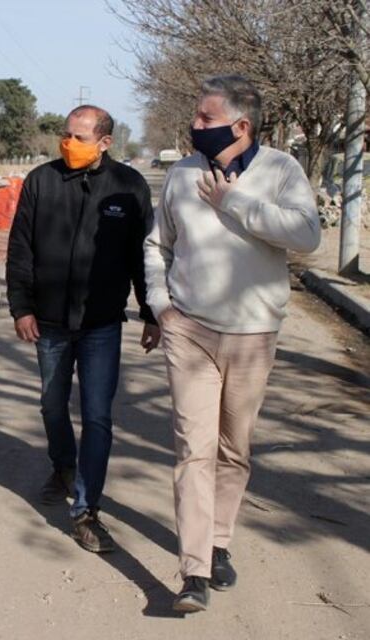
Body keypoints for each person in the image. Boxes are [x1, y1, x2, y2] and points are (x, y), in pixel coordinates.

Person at [144, 75, 320, 612]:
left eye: (205, 119)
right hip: (190, 330)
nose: (195, 126)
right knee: (192, 450)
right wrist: (161, 305)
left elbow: (306, 234)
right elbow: (158, 244)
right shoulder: (181, 174)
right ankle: (193, 571)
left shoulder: (282, 172)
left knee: (232, 449)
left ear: (240, 126)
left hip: (252, 336)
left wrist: (236, 202)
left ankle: (219, 540)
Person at [6, 105, 159, 554]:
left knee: (96, 416)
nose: (68, 144)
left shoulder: (128, 188)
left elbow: (141, 258)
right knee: (53, 406)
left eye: (80, 137)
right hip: (49, 323)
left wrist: (150, 313)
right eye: (66, 135)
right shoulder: (41, 181)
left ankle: (86, 509)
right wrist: (21, 308)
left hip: (101, 326)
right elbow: (20, 250)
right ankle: (63, 465)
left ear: (105, 142)